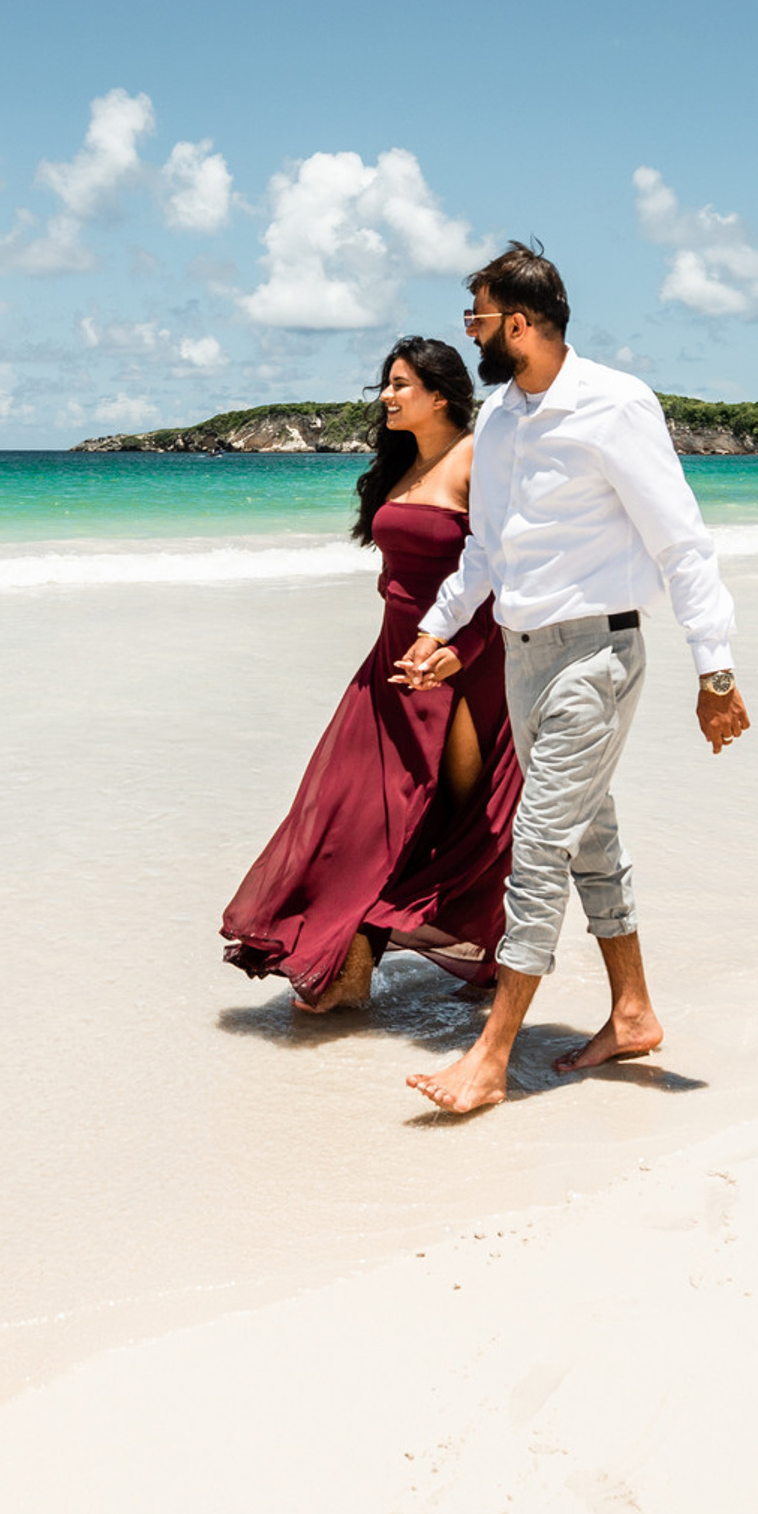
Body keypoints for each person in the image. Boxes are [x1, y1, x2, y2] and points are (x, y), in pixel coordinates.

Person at [394, 243, 752, 1114]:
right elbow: (488, 549)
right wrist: (437, 628)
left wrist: (716, 670)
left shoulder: (616, 406)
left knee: (539, 843)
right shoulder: (502, 422)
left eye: (475, 317)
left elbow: (680, 541)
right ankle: (632, 1014)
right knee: (588, 836)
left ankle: (490, 1056)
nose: (469, 332)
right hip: (524, 657)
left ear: (518, 322)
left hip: (599, 656)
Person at [221, 337, 525, 1012]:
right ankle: (344, 953)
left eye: (399, 384)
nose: (385, 397)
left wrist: (459, 651)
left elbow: (505, 574)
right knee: (349, 810)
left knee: (447, 817)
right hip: (391, 661)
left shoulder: (479, 458)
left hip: (462, 663)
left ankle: (382, 954)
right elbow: (396, 568)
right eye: (385, 385)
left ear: (441, 393)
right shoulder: (401, 466)